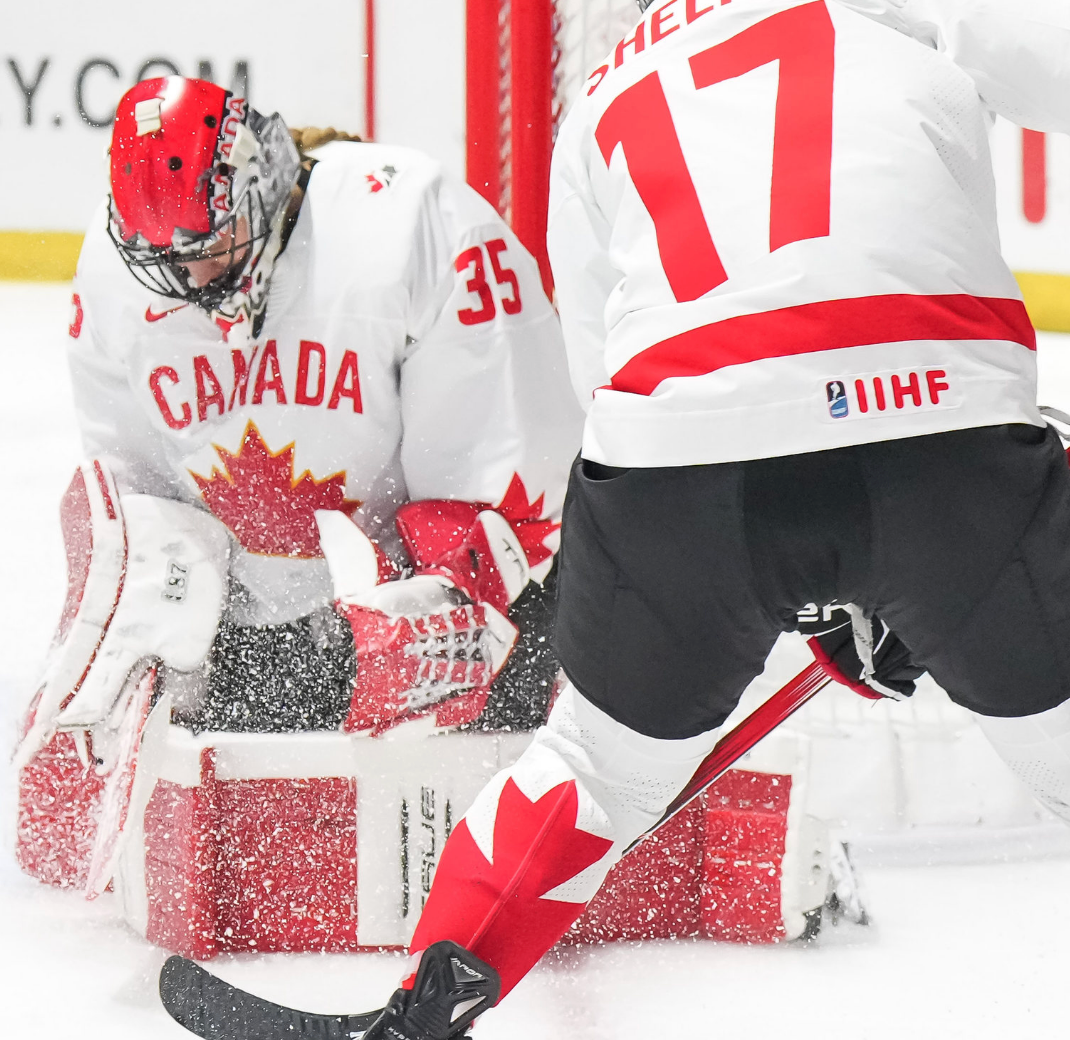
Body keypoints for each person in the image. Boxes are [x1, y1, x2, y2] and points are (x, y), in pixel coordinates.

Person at [361, 1, 1070, 1036]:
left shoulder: (602, 88)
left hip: (673, 474)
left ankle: (427, 993)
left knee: (591, 770)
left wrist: (780, 561)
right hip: (941, 443)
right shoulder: (895, 9)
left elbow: (598, 373)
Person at [10, 77, 584, 890]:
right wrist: (133, 631)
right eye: (165, 260)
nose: (192, 279)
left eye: (211, 242)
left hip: (455, 590)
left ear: (265, 177)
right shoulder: (117, 283)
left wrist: (437, 625)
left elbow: (507, 484)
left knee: (501, 735)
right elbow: (138, 507)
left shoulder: (413, 226)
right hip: (276, 623)